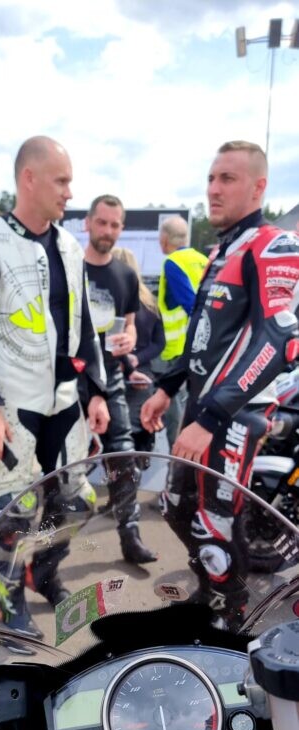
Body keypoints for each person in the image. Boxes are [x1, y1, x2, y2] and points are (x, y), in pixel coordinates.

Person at [0, 136, 109, 636]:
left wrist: (98, 391)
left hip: (65, 400)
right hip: (11, 402)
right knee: (16, 509)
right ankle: (8, 600)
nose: (69, 192)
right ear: (28, 179)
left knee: (79, 502)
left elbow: (84, 325)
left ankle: (43, 572)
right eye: (61, 181)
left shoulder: (71, 246)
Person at [141, 140, 299, 626]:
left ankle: (230, 620)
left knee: (215, 523)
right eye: (211, 178)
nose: (213, 189)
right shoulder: (221, 249)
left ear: (258, 186)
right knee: (176, 509)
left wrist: (212, 416)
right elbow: (201, 334)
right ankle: (212, 594)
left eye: (227, 178)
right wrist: (167, 387)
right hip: (200, 405)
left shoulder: (273, 245)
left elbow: (280, 338)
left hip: (236, 413)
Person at [84, 195, 157, 563]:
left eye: (114, 225)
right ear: (88, 223)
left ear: (121, 229)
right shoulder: (69, 268)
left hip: (111, 377)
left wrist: (129, 341)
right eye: (102, 223)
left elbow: (128, 327)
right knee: (65, 467)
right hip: (71, 379)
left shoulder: (126, 276)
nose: (107, 231)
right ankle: (46, 551)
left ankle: (131, 537)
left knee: (124, 456)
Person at [153, 215, 208, 448]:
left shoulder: (173, 262)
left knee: (174, 409)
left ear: (165, 239)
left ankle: (176, 458)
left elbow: (190, 303)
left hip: (176, 350)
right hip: (202, 347)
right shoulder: (204, 260)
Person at [112, 246, 165, 452]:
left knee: (115, 436)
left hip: (114, 373)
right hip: (143, 375)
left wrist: (128, 360)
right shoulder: (150, 302)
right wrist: (138, 359)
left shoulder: (109, 302)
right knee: (139, 429)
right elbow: (159, 343)